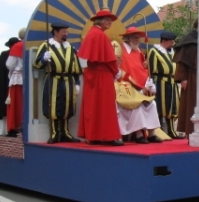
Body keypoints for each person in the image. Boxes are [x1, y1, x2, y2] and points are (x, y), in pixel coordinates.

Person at [77, 8, 123, 146]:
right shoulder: (101, 35)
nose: (110, 22)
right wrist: (116, 71)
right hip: (102, 75)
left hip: (92, 73)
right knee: (105, 105)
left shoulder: (91, 33)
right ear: (100, 21)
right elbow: (109, 60)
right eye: (107, 20)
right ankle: (108, 136)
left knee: (92, 105)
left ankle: (93, 136)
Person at [33, 23, 83, 144]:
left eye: (66, 31)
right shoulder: (46, 46)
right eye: (64, 31)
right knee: (53, 106)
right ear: (55, 32)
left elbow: (76, 67)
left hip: (68, 80)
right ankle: (55, 133)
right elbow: (36, 64)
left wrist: (77, 83)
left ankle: (65, 132)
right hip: (53, 80)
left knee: (67, 106)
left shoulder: (70, 48)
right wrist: (43, 59)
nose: (66, 33)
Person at [113, 41, 163, 144]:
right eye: (118, 58)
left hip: (129, 95)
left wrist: (145, 88)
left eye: (120, 58)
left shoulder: (122, 73)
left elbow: (133, 83)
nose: (120, 60)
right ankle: (138, 134)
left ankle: (151, 133)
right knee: (136, 106)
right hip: (118, 98)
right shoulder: (108, 72)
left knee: (151, 104)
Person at [148, 30, 180, 138]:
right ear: (164, 41)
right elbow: (151, 69)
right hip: (160, 82)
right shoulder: (154, 51)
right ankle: (160, 130)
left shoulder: (172, 52)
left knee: (172, 106)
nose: (172, 44)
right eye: (171, 42)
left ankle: (171, 130)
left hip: (172, 81)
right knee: (160, 106)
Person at [174, 19, 198, 137]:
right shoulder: (189, 41)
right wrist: (183, 79)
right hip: (192, 77)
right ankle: (191, 132)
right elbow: (181, 62)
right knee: (191, 105)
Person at [0, 37, 18, 135]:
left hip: (4, 86)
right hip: (14, 83)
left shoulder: (4, 55)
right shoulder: (13, 55)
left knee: (4, 108)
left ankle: (3, 130)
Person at [5, 28, 26, 137]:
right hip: (29, 78)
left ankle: (14, 127)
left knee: (15, 104)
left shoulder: (17, 46)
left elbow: (10, 64)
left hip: (17, 78)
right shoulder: (31, 45)